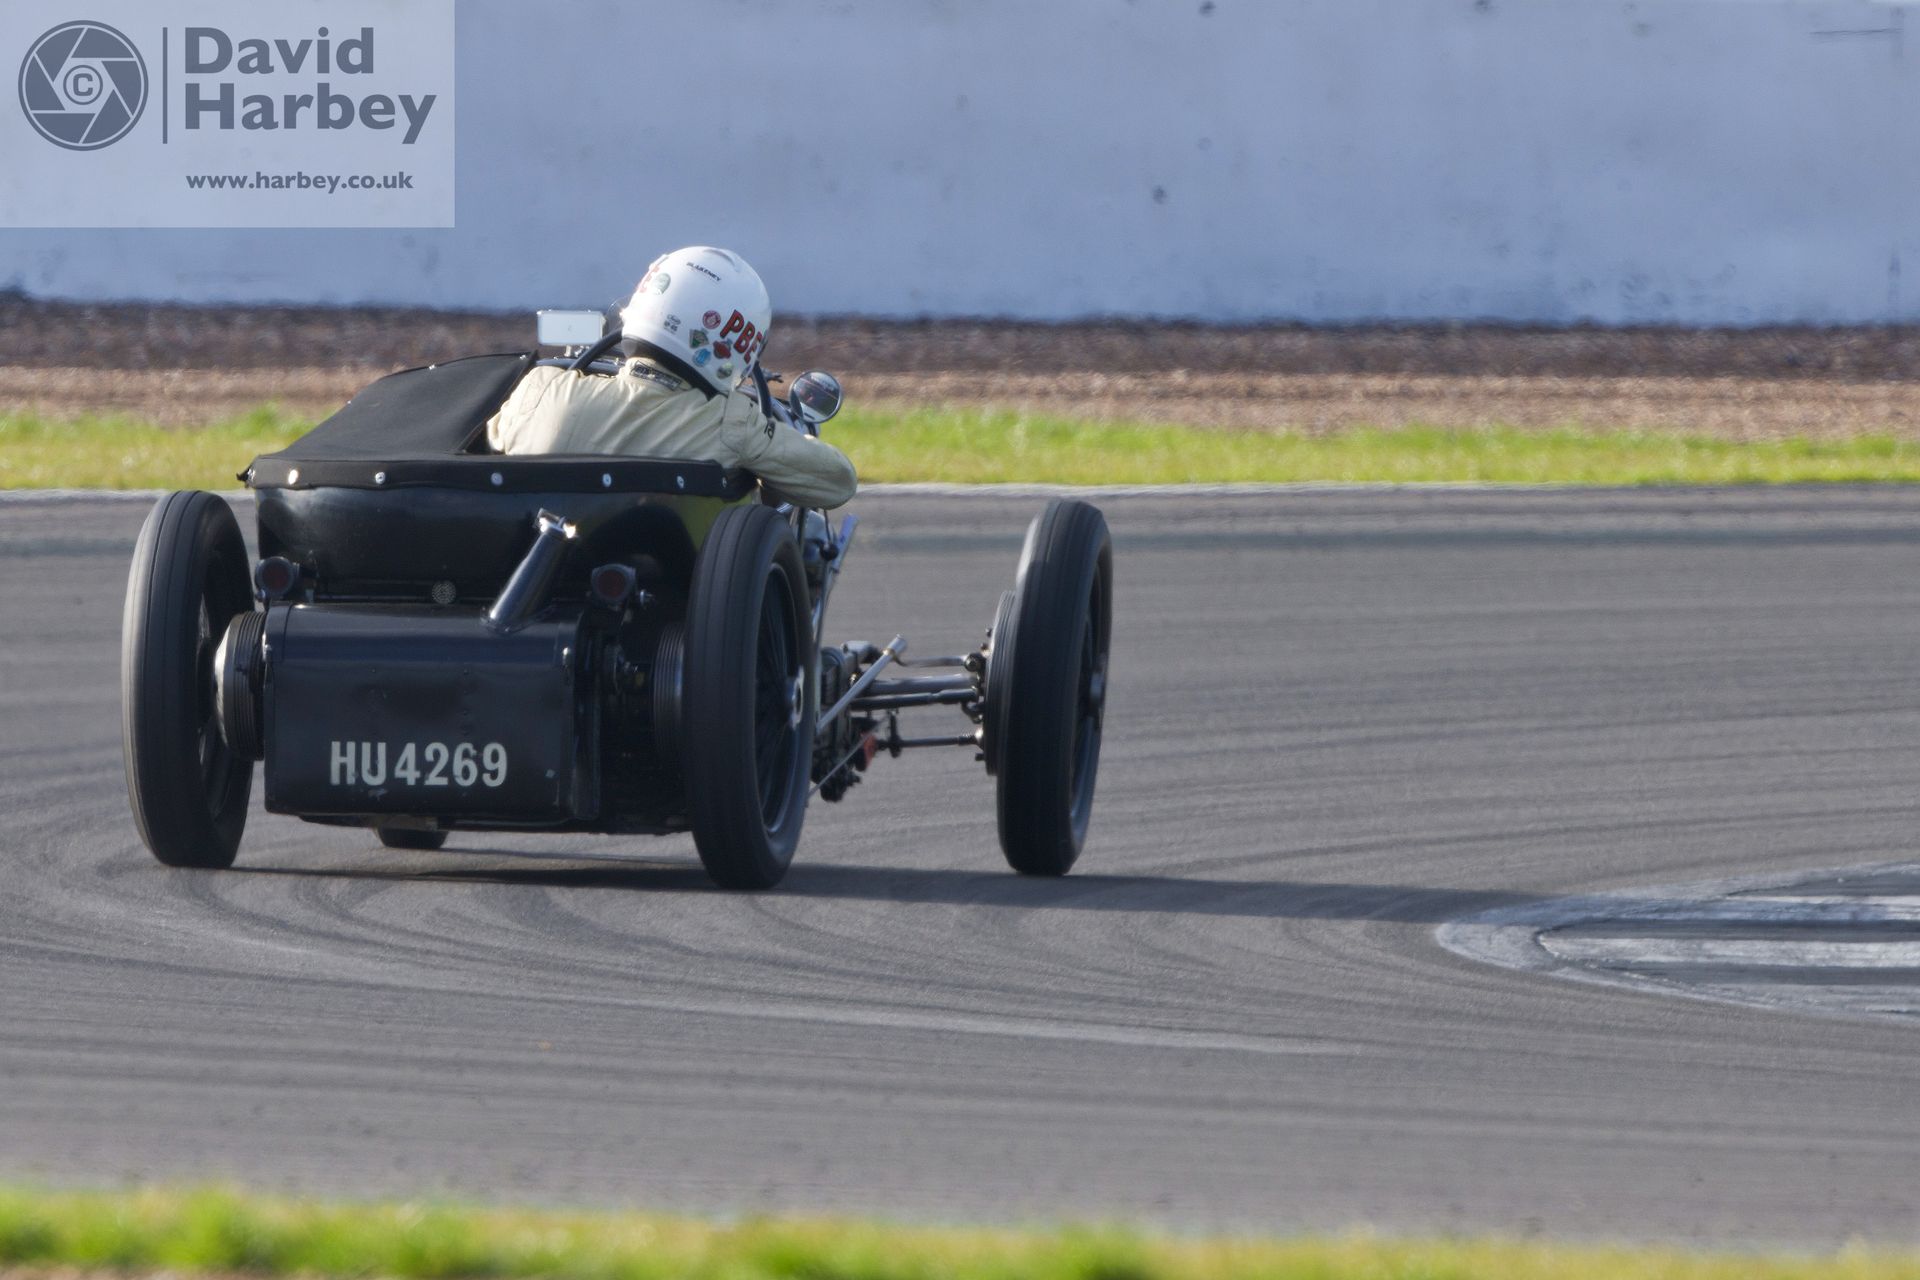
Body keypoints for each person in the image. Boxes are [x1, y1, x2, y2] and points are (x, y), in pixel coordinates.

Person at [485, 246, 857, 509]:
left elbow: (488, 447)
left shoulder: (542, 388)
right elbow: (838, 482)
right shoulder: (730, 424)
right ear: (739, 343)